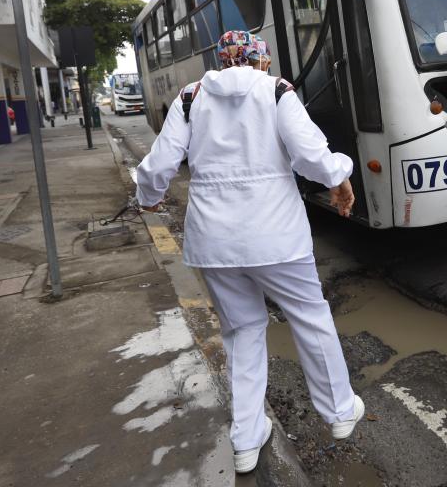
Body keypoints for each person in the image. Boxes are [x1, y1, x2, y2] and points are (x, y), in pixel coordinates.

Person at [135, 31, 362, 474]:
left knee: (241, 332)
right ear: (261, 61)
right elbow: (313, 158)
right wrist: (341, 175)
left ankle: (246, 438)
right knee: (310, 316)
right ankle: (338, 413)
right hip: (277, 235)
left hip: (213, 240)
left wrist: (148, 196)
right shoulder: (276, 91)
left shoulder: (190, 97)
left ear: (222, 62)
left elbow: (160, 164)